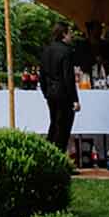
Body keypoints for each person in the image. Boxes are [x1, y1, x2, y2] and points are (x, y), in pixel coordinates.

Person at [40, 22, 80, 154]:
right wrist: (75, 99)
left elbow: (42, 74)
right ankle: (58, 155)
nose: (72, 35)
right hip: (63, 94)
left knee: (54, 124)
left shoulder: (46, 50)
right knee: (63, 127)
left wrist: (45, 91)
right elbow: (68, 77)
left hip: (51, 92)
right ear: (64, 34)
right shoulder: (66, 51)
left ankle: (50, 154)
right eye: (70, 32)